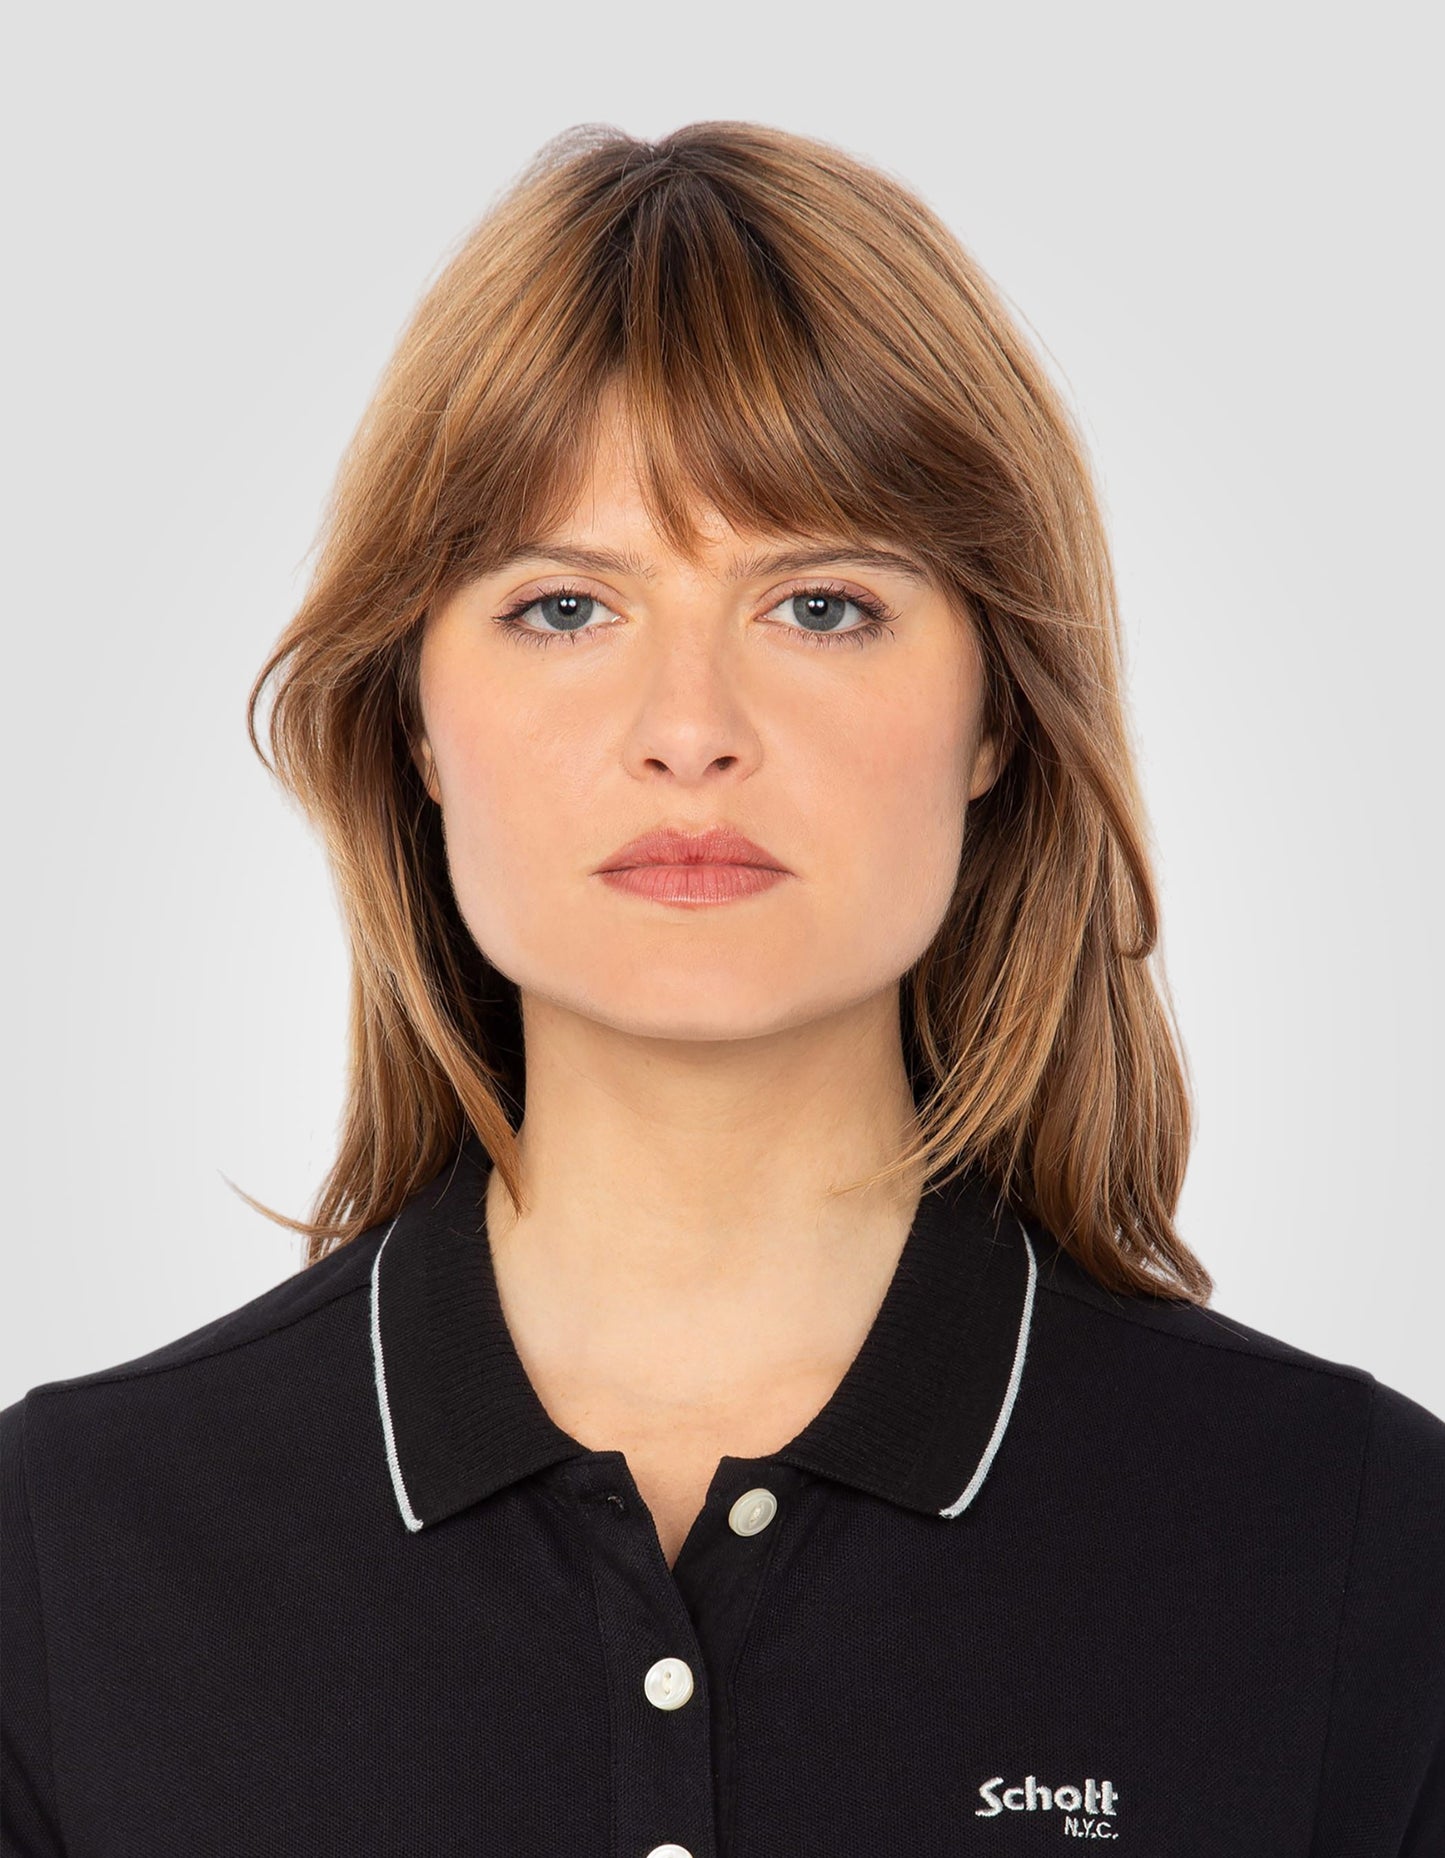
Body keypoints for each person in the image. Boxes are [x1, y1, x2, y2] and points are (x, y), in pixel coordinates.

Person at [3, 120, 1442, 1857]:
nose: (689, 729)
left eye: (819, 605)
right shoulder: (62, 1556)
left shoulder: (1359, 1545)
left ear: (995, 712)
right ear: (414, 725)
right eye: (563, 608)